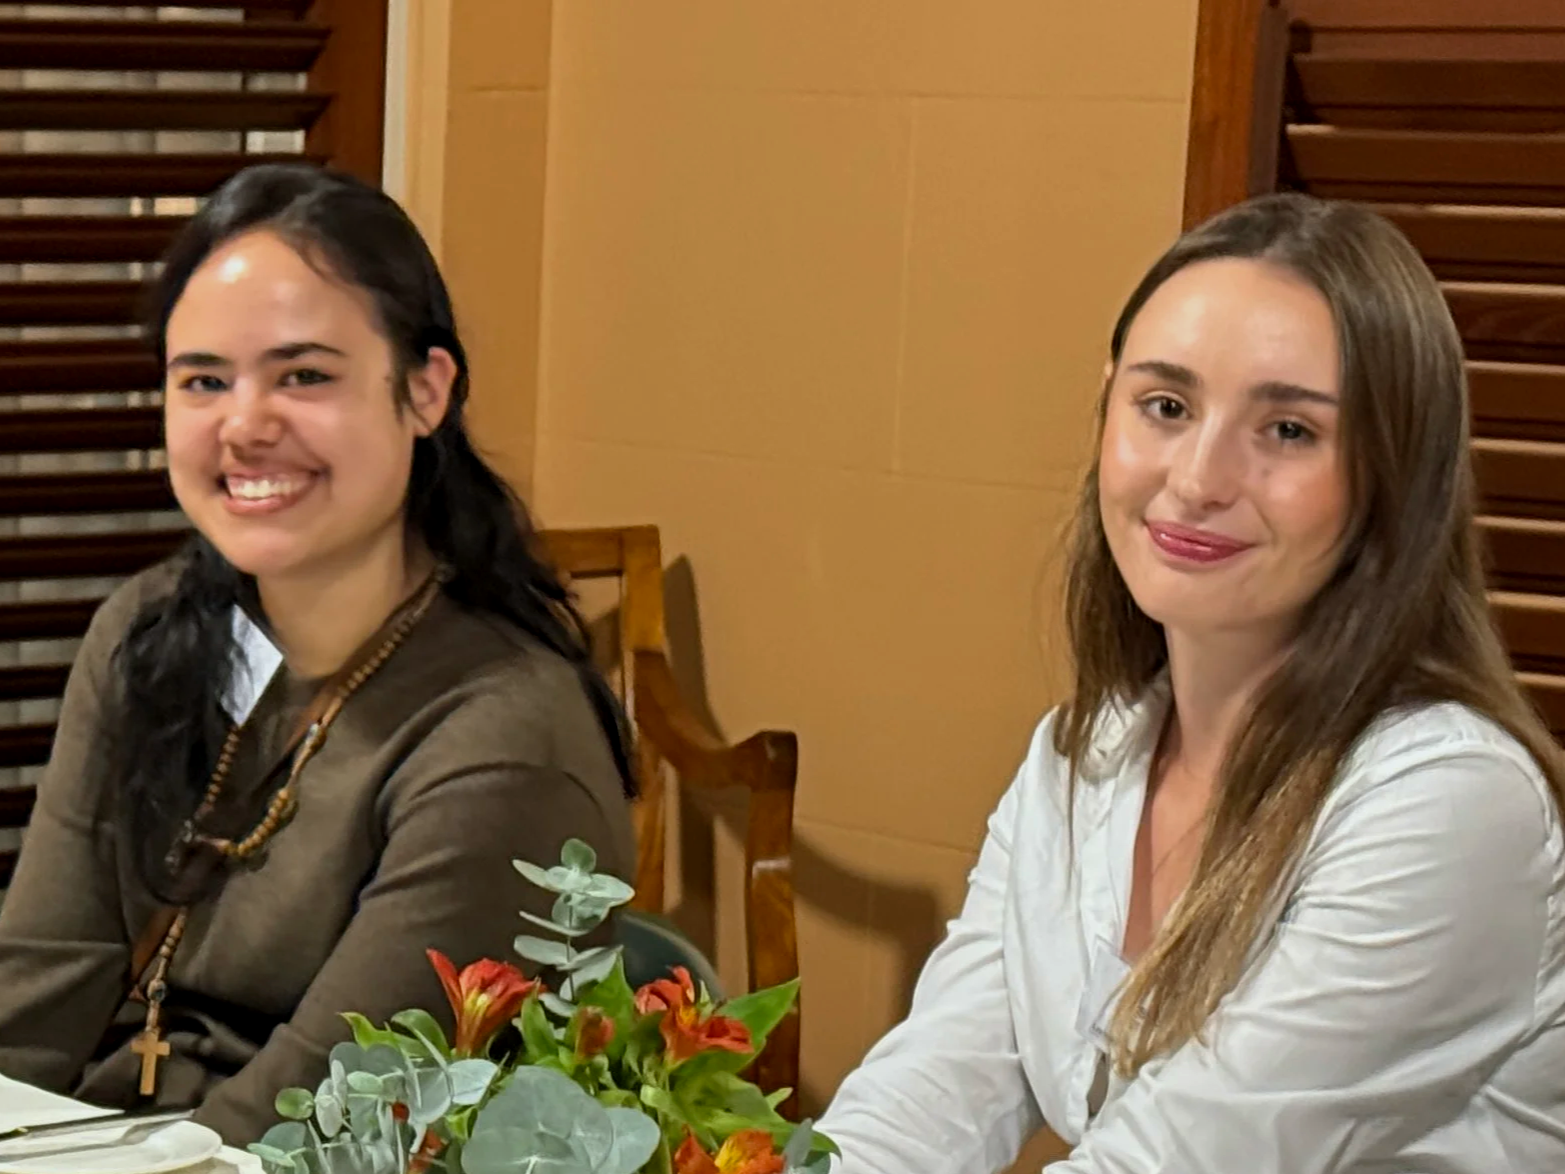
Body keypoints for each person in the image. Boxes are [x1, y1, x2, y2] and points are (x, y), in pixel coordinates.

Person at [820, 194, 1565, 1172]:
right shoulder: (1082, 756)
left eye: (1287, 430)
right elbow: (926, 1098)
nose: (1199, 478)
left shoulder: (1448, 803)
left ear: (1390, 477)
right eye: (1165, 407)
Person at [0, 163, 637, 1143]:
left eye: (304, 376)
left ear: (425, 391)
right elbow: (34, 992)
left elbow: (314, 1126)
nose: (245, 425)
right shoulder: (149, 630)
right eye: (204, 380)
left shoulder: (505, 740)